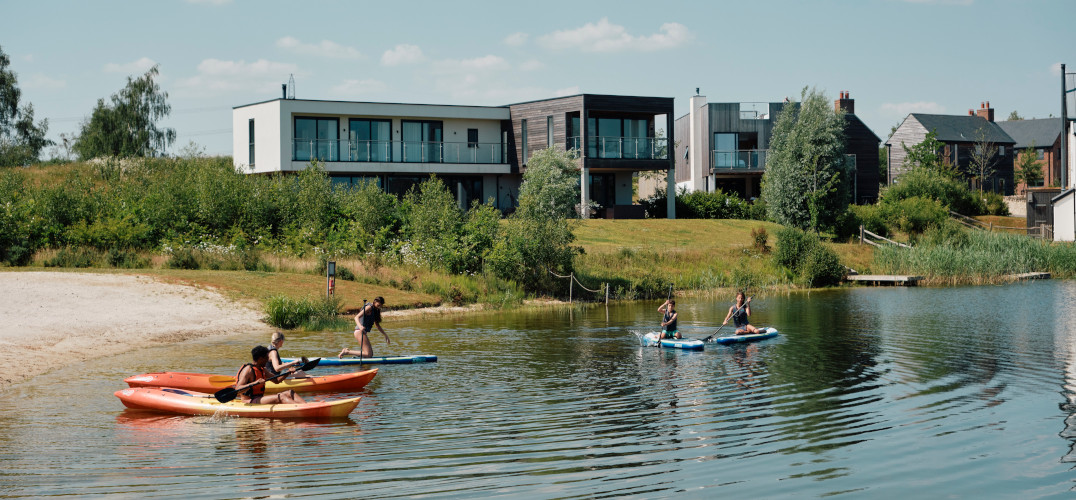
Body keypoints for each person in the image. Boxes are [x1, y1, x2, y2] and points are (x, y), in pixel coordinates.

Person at [235, 345, 306, 405]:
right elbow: (238, 389)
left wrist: (288, 372)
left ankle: (307, 406)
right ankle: (301, 409)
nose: (268, 360)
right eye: (266, 358)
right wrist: (255, 383)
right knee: (281, 397)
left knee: (290, 392)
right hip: (249, 401)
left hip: (259, 398)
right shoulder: (248, 370)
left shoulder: (263, 369)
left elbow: (277, 380)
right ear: (260, 359)